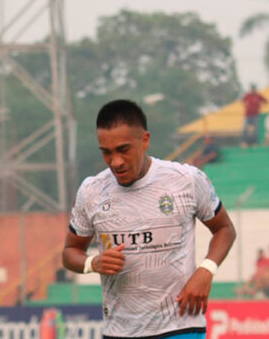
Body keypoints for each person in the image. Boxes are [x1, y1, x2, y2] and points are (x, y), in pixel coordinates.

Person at [63, 99, 236, 339]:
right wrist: (92, 263)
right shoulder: (91, 192)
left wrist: (206, 270)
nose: (116, 162)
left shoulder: (185, 180)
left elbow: (225, 229)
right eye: (107, 153)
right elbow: (70, 251)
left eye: (123, 150)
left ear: (145, 140)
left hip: (181, 326)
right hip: (120, 331)